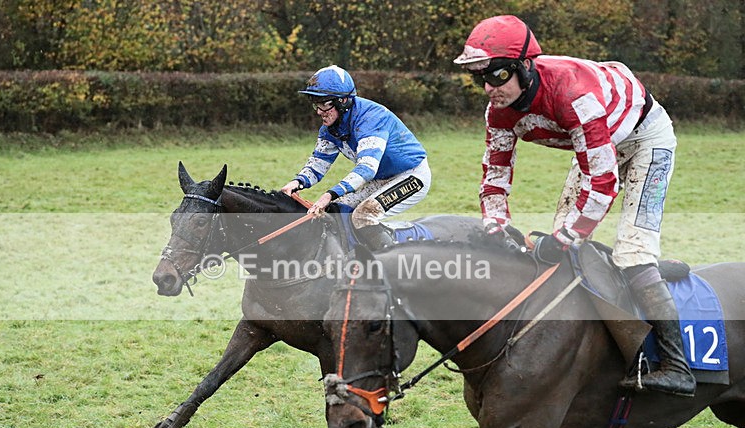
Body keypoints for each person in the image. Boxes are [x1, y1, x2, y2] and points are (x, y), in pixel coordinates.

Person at [454, 15, 695, 396]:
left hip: (647, 137)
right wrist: (495, 226)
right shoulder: (498, 110)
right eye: (479, 78)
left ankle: (676, 366)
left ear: (524, 67)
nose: (488, 88)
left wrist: (567, 238)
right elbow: (494, 176)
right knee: (563, 254)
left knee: (631, 252)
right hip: (596, 142)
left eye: (497, 75)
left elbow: (603, 183)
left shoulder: (573, 94)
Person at [280, 65, 431, 249]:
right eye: (315, 103)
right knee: (336, 211)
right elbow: (317, 165)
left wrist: (329, 194)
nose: (319, 111)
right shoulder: (329, 128)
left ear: (343, 101)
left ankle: (393, 265)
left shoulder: (371, 118)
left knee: (364, 215)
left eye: (325, 103)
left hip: (411, 175)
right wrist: (296, 183)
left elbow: (367, 169)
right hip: (381, 178)